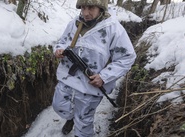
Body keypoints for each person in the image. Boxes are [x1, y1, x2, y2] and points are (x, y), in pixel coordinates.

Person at [52, 0, 136, 136]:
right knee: (58, 106)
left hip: (90, 87)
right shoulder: (74, 23)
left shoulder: (113, 28)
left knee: (83, 124)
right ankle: (71, 118)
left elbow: (127, 57)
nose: (86, 13)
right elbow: (61, 42)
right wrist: (58, 50)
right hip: (67, 79)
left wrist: (104, 77)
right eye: (83, 8)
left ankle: (79, 122)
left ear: (100, 7)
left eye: (90, 8)